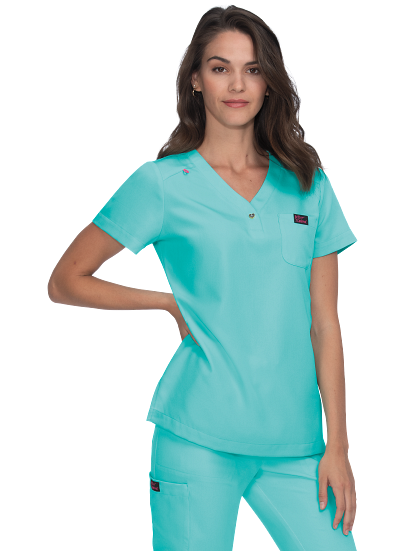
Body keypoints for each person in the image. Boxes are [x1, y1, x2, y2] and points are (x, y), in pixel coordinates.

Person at [48, 5, 358, 550]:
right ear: (196, 79)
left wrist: (339, 447)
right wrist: (167, 302)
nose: (237, 84)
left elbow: (325, 324)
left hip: (297, 445)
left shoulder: (308, 183)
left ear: (269, 82)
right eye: (220, 68)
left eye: (253, 69)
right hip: (197, 437)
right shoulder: (163, 184)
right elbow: (66, 280)